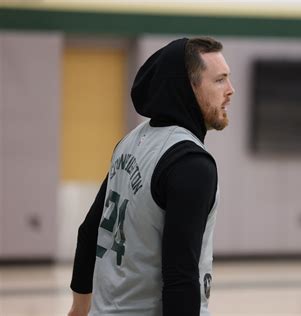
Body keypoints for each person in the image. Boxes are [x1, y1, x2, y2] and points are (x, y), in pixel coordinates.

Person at [67, 36, 235, 316]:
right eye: (219, 80)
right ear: (188, 87)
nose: (231, 90)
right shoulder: (191, 163)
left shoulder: (129, 142)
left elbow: (89, 232)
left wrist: (78, 309)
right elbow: (180, 276)